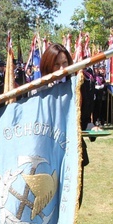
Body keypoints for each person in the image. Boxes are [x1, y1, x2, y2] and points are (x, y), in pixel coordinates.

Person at [38, 43, 89, 205]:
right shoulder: (38, 91)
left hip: (73, 154)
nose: (62, 68)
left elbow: (84, 120)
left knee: (73, 204)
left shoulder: (78, 87)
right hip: (47, 157)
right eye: (57, 64)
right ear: (48, 65)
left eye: (65, 63)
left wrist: (91, 126)